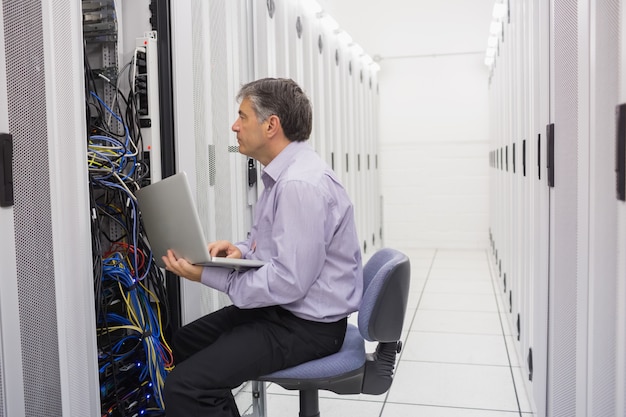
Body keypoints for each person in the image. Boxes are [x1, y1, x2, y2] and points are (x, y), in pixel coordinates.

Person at [161, 77, 363, 417]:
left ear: (271, 126)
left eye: (242, 117)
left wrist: (207, 276)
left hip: (308, 326)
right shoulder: (283, 175)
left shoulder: (299, 184)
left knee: (187, 385)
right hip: (285, 311)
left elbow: (287, 281)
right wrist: (240, 250)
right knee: (180, 347)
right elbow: (271, 245)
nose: (234, 126)